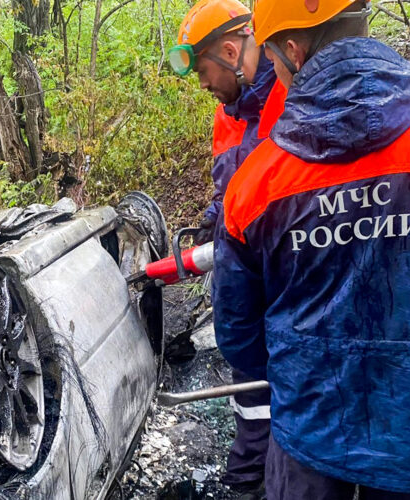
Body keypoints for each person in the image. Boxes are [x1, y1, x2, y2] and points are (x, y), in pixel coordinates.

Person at [213, 0, 410, 497]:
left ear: (291, 51)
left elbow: (238, 333)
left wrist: (304, 372)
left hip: (310, 437)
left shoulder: (255, 185)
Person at [169, 1, 285, 498]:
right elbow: (228, 189)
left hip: (285, 274)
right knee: (250, 381)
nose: (202, 84)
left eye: (202, 70)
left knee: (276, 381)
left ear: (232, 51)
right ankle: (251, 474)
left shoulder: (292, 96)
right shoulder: (227, 116)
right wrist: (209, 226)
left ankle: (257, 478)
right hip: (244, 280)